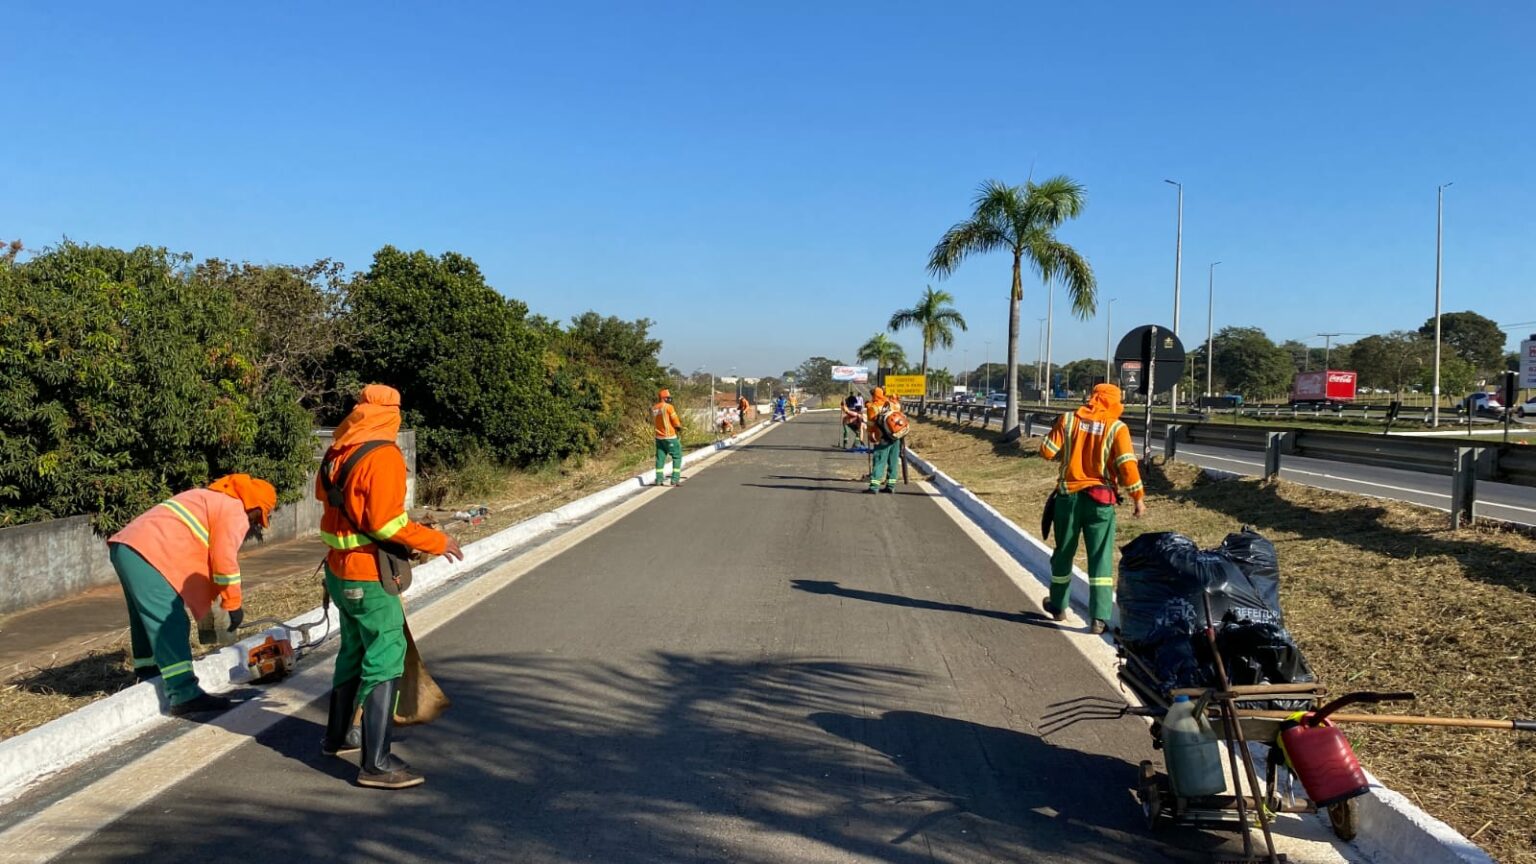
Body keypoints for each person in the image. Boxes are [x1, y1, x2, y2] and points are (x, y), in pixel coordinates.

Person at [318, 384, 464, 789]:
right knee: (386, 654)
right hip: (368, 572)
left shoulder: (337, 450)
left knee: (352, 650)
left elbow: (331, 500)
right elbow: (386, 523)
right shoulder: (383, 455)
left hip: (338, 570)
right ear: (393, 413)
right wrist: (437, 541)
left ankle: (338, 736)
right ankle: (376, 764)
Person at [107, 473, 277, 715]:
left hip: (126, 549)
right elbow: (223, 561)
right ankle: (184, 694)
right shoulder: (234, 510)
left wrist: (211, 612)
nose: (253, 524)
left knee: (145, 619)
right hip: (146, 552)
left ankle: (149, 672)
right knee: (170, 621)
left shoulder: (208, 499)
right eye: (257, 518)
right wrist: (233, 604)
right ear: (254, 508)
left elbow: (204, 571)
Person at [1039, 383, 1146, 634]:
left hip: (1068, 499)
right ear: (1114, 402)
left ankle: (1057, 605)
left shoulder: (1068, 420)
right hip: (1101, 502)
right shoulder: (1117, 428)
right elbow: (1127, 466)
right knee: (1100, 558)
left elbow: (1046, 451)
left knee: (1064, 552)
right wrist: (1138, 498)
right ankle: (1099, 617)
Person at [864, 387, 901, 494]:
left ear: (874, 395)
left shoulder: (873, 407)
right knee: (893, 462)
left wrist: (871, 435)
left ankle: (874, 486)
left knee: (879, 461)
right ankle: (891, 485)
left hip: (882, 437)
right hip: (895, 437)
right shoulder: (892, 404)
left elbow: (871, 424)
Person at [652, 388, 685, 486]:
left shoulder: (655, 408)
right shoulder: (668, 407)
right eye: (668, 397)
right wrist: (678, 427)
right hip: (669, 436)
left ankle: (659, 479)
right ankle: (675, 479)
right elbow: (675, 420)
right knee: (677, 456)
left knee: (660, 458)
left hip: (659, 437)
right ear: (664, 398)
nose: (669, 399)